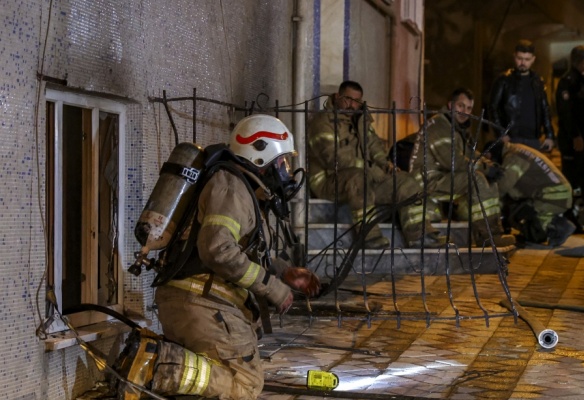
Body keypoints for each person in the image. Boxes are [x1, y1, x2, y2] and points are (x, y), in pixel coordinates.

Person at [117, 115, 321, 399]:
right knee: (244, 386)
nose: (286, 173)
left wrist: (283, 271)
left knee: (214, 380)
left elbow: (241, 251)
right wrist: (273, 288)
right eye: (282, 163)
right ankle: (152, 362)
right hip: (201, 303)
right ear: (260, 155)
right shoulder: (231, 188)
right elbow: (218, 250)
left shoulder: (242, 189)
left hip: (199, 302)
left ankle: (155, 364)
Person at [307, 80, 444, 249]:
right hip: (329, 181)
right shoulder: (323, 122)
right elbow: (335, 159)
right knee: (358, 178)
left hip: (363, 178)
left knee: (404, 181)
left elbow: (374, 146)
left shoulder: (361, 121)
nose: (352, 105)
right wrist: (371, 170)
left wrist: (385, 164)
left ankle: (420, 235)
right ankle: (369, 237)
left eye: (357, 101)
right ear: (337, 97)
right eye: (348, 99)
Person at [408, 87, 515, 247]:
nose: (464, 111)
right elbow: (454, 162)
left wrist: (489, 165)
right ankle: (487, 236)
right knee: (477, 178)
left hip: (440, 177)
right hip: (427, 181)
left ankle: (492, 232)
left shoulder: (456, 128)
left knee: (486, 178)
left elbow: (471, 154)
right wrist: (485, 169)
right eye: (461, 106)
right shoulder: (439, 126)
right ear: (451, 105)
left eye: (469, 108)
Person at [484, 140, 575, 247]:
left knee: (517, 213)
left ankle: (557, 227)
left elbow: (502, 187)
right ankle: (554, 225)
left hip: (553, 196)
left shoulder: (514, 157)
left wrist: (488, 208)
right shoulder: (518, 150)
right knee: (517, 205)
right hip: (558, 194)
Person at [555, 45, 584, 233]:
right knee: (572, 181)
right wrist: (576, 136)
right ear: (582, 61)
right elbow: (566, 113)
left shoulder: (581, 81)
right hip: (574, 142)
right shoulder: (569, 82)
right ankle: (569, 218)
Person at [489, 39, 555, 151]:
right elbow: (492, 107)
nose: (523, 63)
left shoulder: (537, 81)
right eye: (520, 58)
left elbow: (545, 108)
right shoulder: (504, 80)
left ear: (533, 59)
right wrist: (501, 133)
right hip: (512, 138)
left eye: (527, 59)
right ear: (514, 57)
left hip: (534, 139)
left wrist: (549, 135)